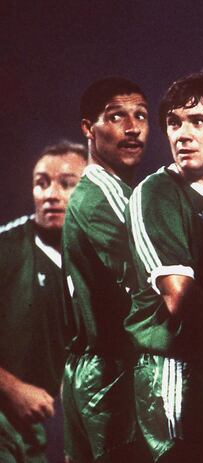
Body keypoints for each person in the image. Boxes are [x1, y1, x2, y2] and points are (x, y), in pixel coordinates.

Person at [125, 71, 203, 462]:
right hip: (177, 373)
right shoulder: (158, 193)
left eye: (198, 121)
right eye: (174, 123)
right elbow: (179, 296)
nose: (182, 133)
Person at [61, 77, 151, 462]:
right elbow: (150, 280)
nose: (132, 129)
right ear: (88, 128)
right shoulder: (104, 197)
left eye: (141, 116)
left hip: (93, 373)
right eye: (117, 117)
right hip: (112, 376)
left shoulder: (109, 192)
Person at [0, 141, 86, 462]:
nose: (51, 194)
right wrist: (11, 388)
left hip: (61, 427)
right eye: (42, 183)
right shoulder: (6, 248)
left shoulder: (107, 255)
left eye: (67, 184)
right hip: (7, 422)